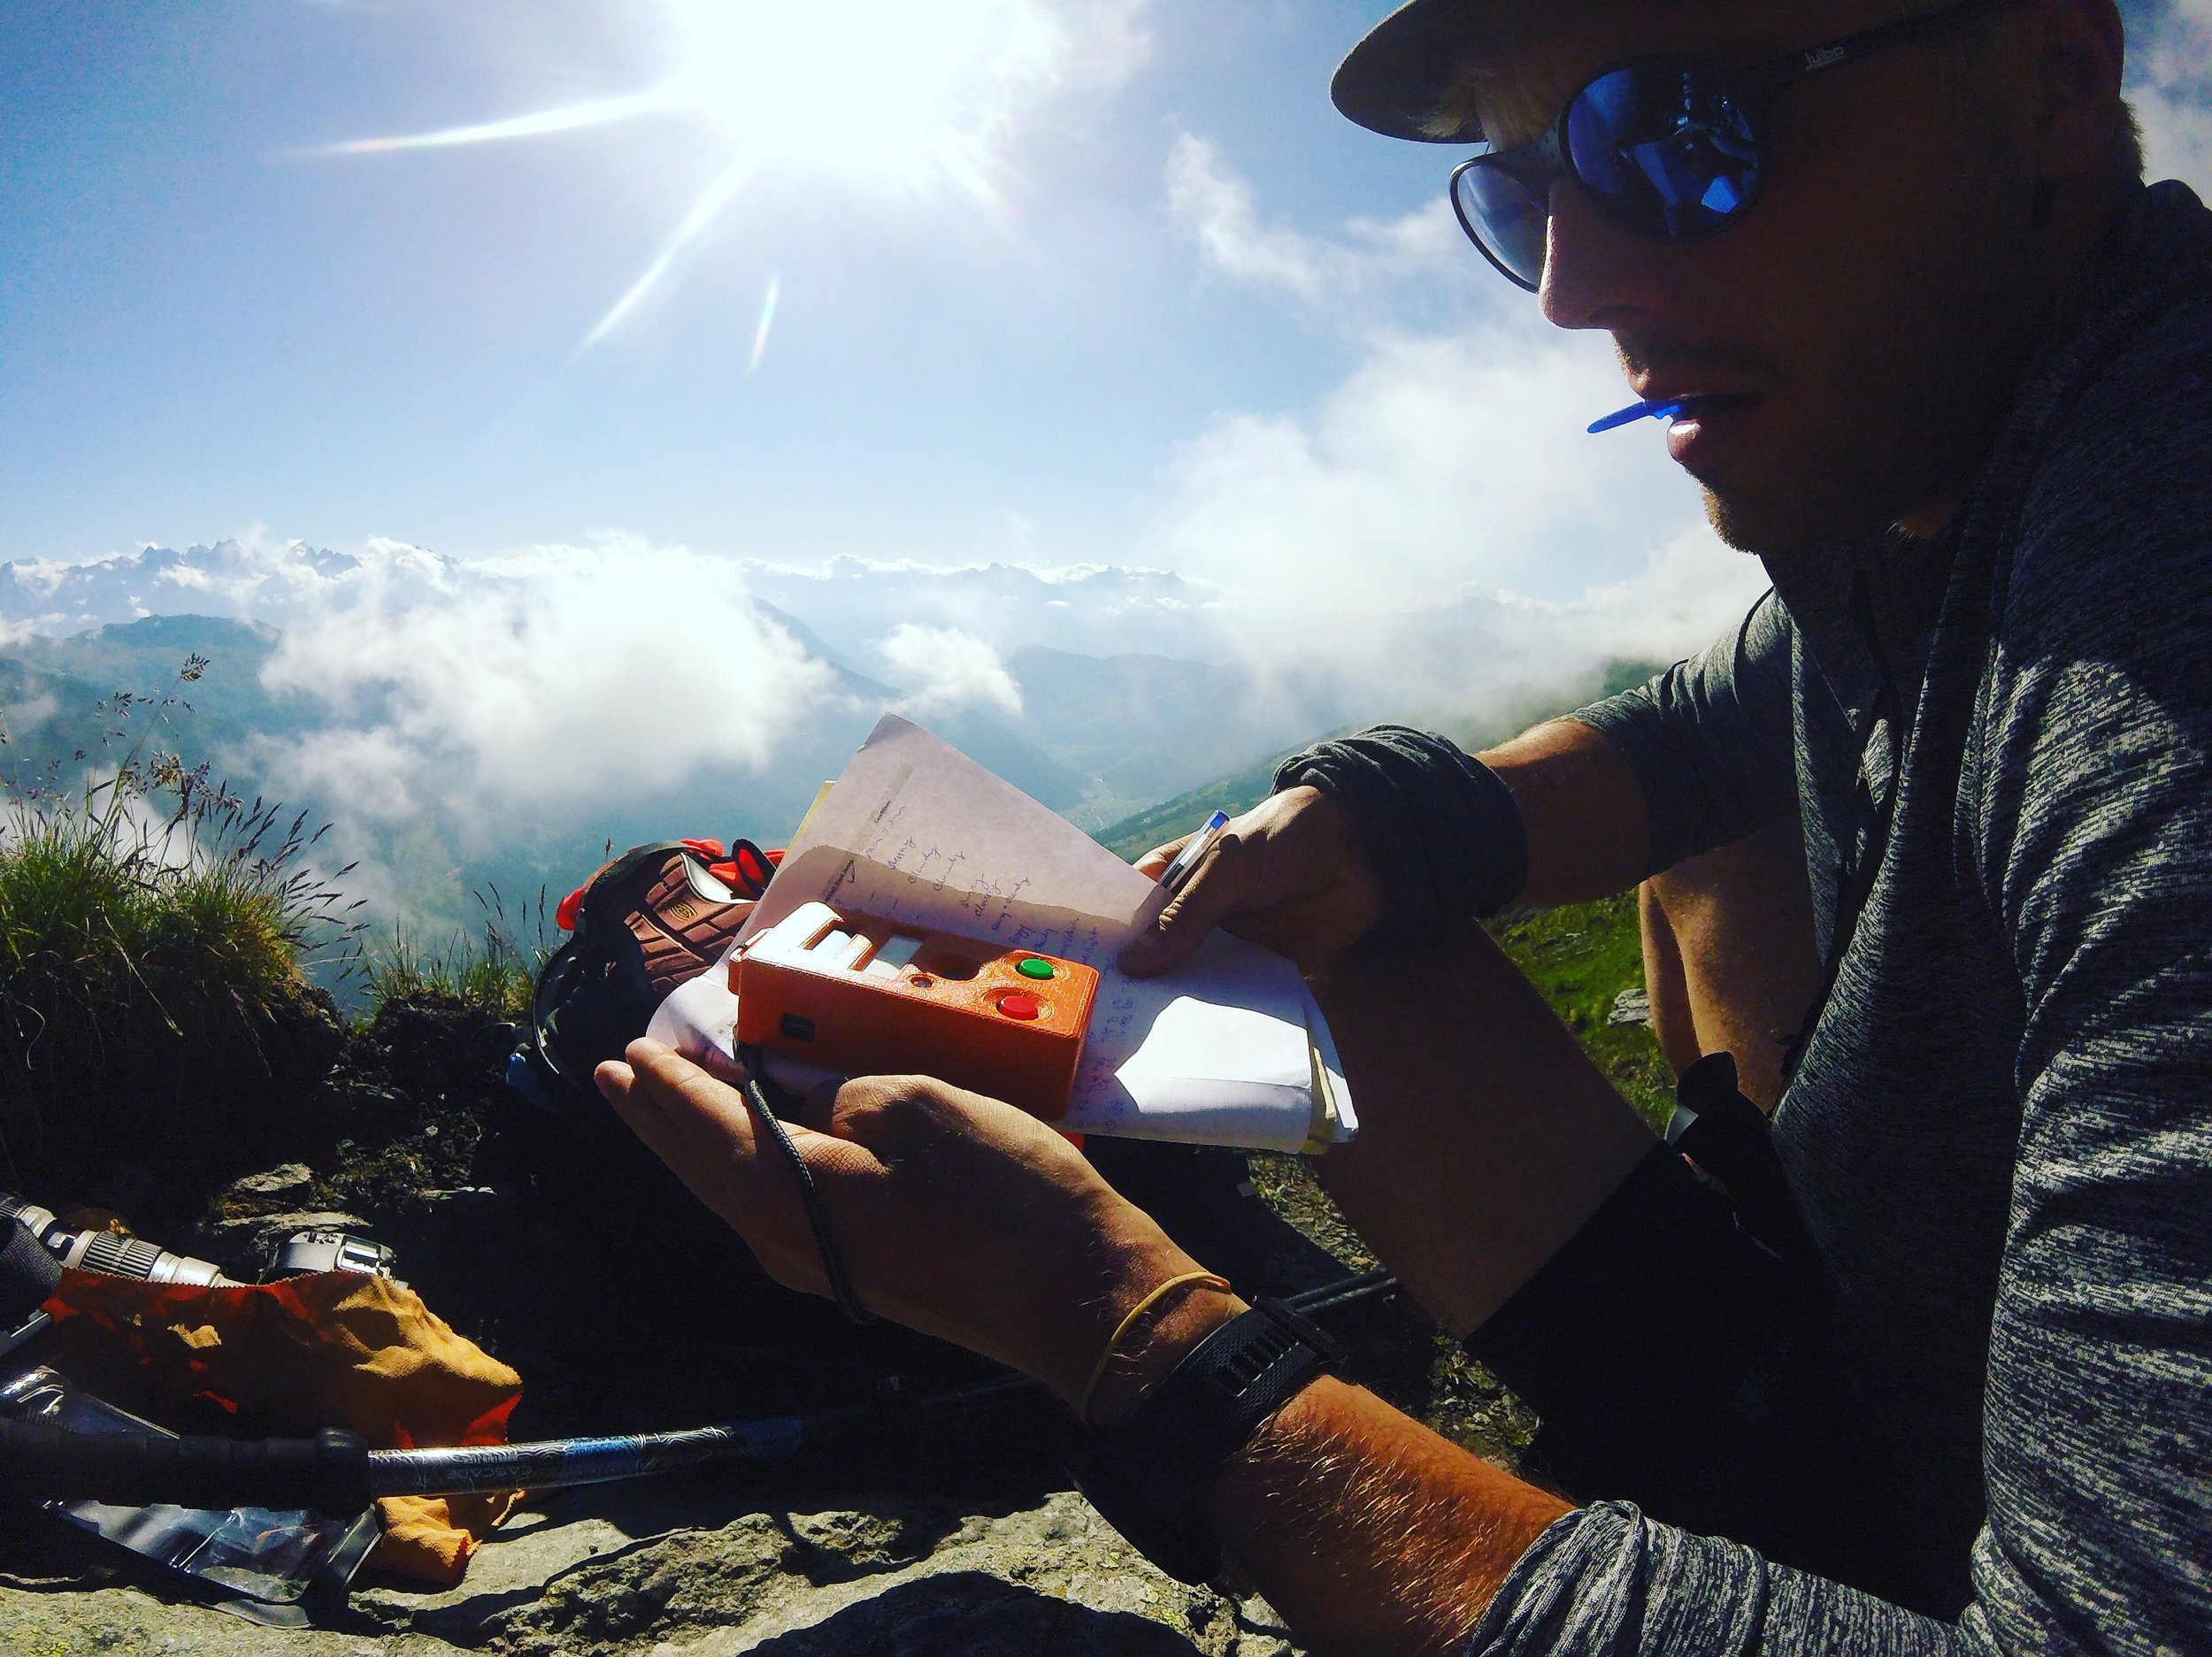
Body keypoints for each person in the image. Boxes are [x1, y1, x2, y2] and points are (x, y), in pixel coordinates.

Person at [595, 0, 2212, 1648]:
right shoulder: (1930, 464)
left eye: (1673, 134)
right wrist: (1378, 813)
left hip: (1955, 1570)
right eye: (1525, 195)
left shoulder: (2158, 671)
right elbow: (1713, 724)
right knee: (1337, 920)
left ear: (2054, 90)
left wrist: (1129, 1334)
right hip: (1870, 1392)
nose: (1576, 289)